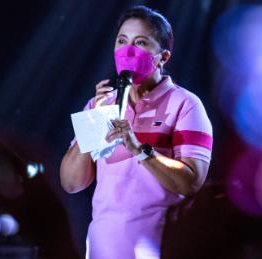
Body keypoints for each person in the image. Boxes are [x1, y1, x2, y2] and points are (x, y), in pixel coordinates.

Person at [60, 5, 213, 259]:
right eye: (122, 41)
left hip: (158, 248)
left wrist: (139, 149)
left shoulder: (186, 105)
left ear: (162, 57)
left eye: (140, 42)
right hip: (101, 250)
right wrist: (94, 121)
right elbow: (71, 183)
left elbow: (192, 182)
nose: (127, 50)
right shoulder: (100, 105)